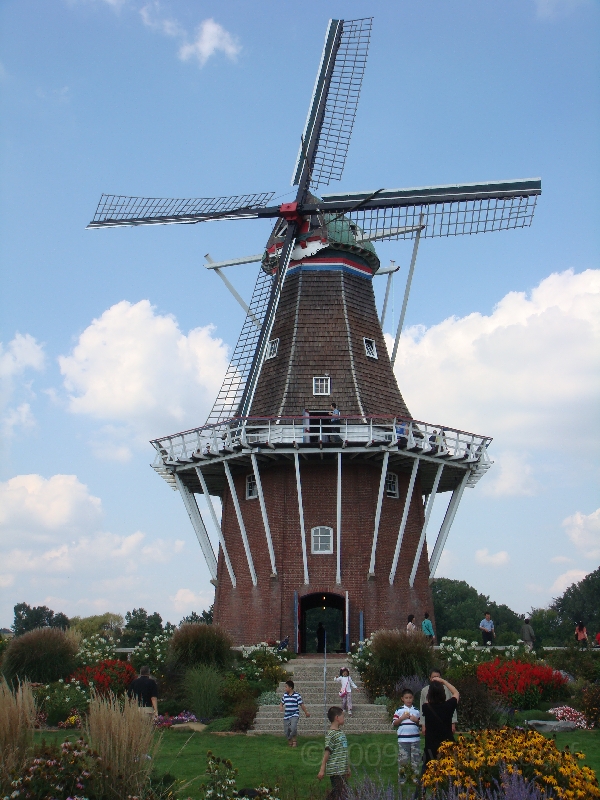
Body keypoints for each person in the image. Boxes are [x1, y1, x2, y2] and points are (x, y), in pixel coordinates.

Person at [421, 676, 460, 768]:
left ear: (429, 694)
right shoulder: (449, 706)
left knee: (429, 769)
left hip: (431, 745)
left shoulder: (426, 707)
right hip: (446, 743)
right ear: (443, 693)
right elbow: (456, 693)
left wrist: (432, 687)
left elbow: (427, 700)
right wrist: (443, 681)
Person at [317, 706, 350, 799]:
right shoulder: (331, 734)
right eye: (343, 716)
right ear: (337, 718)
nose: (344, 718)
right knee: (341, 793)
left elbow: (344, 752)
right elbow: (327, 752)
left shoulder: (341, 733)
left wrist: (347, 767)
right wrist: (322, 769)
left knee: (341, 792)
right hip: (336, 770)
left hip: (342, 769)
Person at [392, 688, 421, 785]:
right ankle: (402, 778)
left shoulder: (416, 711)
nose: (408, 700)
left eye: (410, 698)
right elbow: (394, 723)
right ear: (402, 699)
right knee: (403, 759)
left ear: (413, 698)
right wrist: (402, 718)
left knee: (415, 759)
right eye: (406, 698)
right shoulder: (399, 710)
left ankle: (415, 777)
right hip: (403, 739)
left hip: (415, 739)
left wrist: (416, 720)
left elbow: (421, 723)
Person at [420, 669, 457, 733]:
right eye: (434, 677)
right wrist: (423, 724)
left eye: (438, 677)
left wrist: (453, 723)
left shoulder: (447, 689)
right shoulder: (424, 690)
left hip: (445, 721)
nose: (436, 679)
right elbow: (422, 709)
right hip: (431, 723)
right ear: (430, 678)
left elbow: (453, 708)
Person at [280, 679, 310, 748]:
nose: (285, 688)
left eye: (286, 687)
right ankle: (289, 740)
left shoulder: (297, 695)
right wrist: (281, 707)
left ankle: (294, 741)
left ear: (290, 687)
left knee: (293, 728)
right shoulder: (285, 695)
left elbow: (301, 705)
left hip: (294, 714)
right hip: (287, 715)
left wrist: (306, 712)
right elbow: (281, 703)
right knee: (287, 730)